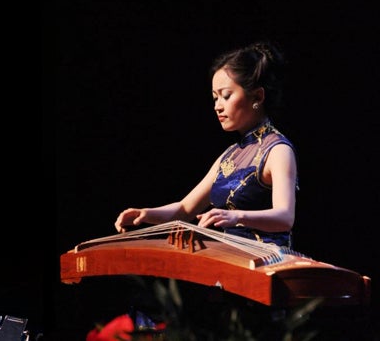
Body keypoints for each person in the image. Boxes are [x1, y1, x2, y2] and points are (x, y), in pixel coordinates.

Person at [115, 41, 297, 247]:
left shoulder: (277, 150)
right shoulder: (230, 154)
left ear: (257, 96)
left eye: (226, 96)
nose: (218, 106)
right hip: (232, 262)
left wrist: (237, 217)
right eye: (215, 98)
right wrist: (146, 213)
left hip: (267, 263)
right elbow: (185, 209)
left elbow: (285, 218)